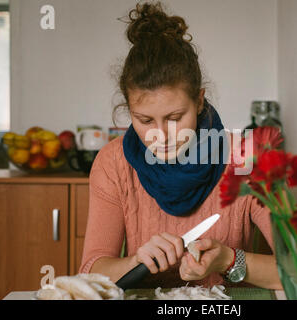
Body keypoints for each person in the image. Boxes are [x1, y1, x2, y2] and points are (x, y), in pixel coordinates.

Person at [79, 1, 282, 290]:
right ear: (129, 110)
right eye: (144, 120)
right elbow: (89, 273)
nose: (161, 136)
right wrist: (136, 261)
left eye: (174, 118)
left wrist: (228, 260)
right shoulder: (113, 163)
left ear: (199, 101)